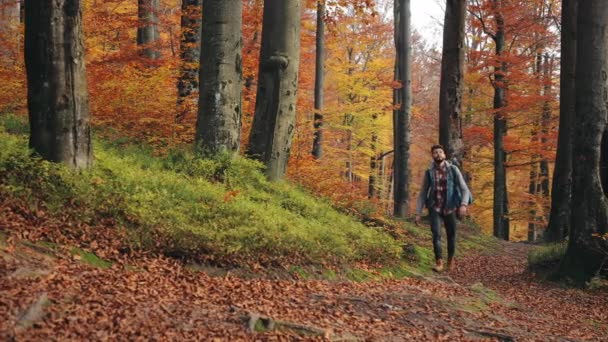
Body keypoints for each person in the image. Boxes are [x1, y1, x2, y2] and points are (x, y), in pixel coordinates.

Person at [415, 144, 471, 272]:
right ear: (432, 156)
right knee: (436, 234)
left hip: (450, 207)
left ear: (444, 155)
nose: (438, 154)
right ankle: (439, 262)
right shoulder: (429, 172)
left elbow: (464, 189)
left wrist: (463, 205)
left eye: (440, 152)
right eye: (435, 152)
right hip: (435, 207)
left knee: (451, 235)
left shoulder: (453, 170)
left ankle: (450, 260)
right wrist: (418, 212)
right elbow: (423, 193)